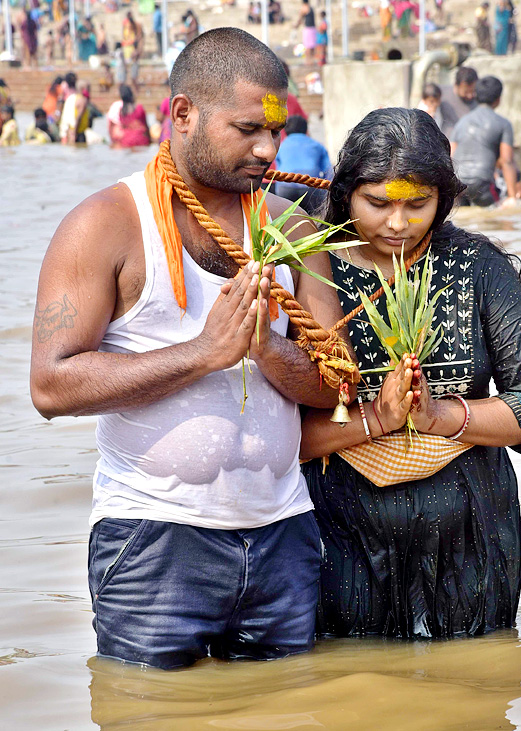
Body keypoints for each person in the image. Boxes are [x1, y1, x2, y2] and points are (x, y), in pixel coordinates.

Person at [30, 27, 350, 670]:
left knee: (289, 711)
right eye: (246, 130)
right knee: (150, 713)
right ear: (183, 115)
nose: (266, 149)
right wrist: (204, 352)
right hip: (152, 539)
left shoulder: (292, 230)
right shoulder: (106, 224)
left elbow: (334, 384)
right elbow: (50, 386)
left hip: (283, 534)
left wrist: (265, 348)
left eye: (275, 132)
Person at [300, 106, 521, 640]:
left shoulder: (477, 266)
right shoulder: (308, 270)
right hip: (339, 537)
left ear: (444, 198)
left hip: (472, 535)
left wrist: (438, 414)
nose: (397, 223)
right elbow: (273, 434)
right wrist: (379, 417)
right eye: (376, 204)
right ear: (345, 192)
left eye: (418, 205)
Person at [451, 75, 518, 207]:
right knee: (498, 219)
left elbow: (451, 156)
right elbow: (507, 161)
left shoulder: (461, 122)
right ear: (498, 99)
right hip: (482, 184)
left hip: (457, 185)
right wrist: (512, 196)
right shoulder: (503, 124)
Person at [274, 115, 332, 214]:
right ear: (306, 130)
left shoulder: (281, 146)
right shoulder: (317, 145)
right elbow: (329, 172)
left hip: (285, 189)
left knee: (286, 218)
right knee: (315, 218)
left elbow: (278, 167)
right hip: (311, 189)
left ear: (285, 131)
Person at [439, 66, 478, 139]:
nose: (470, 95)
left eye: (473, 91)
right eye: (466, 92)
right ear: (456, 85)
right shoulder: (441, 94)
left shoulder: (479, 99)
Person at [107, 84, 150, 148]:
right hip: (142, 140)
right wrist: (150, 139)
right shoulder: (139, 108)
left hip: (126, 142)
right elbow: (146, 127)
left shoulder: (121, 111)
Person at [59, 73, 89, 144]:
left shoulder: (71, 98)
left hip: (68, 131)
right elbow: (78, 118)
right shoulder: (82, 100)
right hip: (78, 132)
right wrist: (74, 133)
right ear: (82, 89)